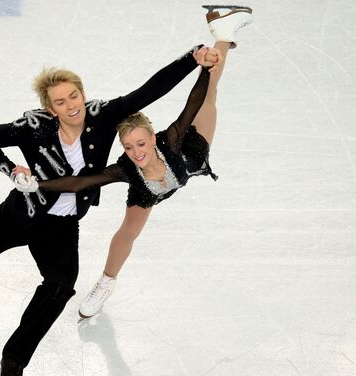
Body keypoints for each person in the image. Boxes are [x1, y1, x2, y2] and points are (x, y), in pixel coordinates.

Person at [0, 41, 219, 376]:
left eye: (73, 96)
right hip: (19, 213)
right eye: (60, 102)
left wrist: (192, 60)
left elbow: (149, 90)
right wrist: (10, 169)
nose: (70, 106)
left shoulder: (103, 117)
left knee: (60, 285)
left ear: (83, 94)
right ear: (50, 109)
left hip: (62, 227)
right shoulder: (32, 127)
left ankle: (15, 357)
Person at [13, 5, 254, 318]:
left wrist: (204, 65)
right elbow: (81, 182)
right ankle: (106, 283)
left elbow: (193, 100)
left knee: (210, 92)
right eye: (128, 147)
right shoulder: (127, 170)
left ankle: (224, 32)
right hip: (149, 192)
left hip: (191, 158)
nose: (136, 152)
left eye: (140, 144)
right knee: (128, 232)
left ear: (154, 139)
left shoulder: (174, 140)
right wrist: (37, 184)